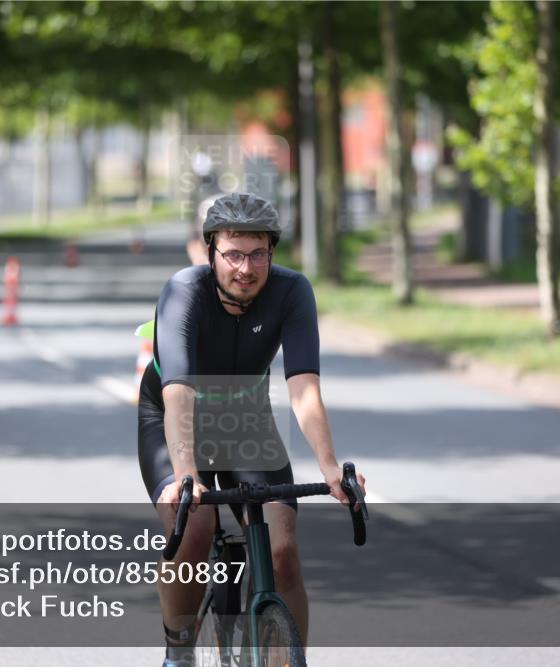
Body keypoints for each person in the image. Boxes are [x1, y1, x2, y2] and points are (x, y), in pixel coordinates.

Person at [137, 192, 367, 667]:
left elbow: (304, 386)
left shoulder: (292, 291)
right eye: (233, 254)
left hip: (245, 419)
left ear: (273, 252)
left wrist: (329, 467)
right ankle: (178, 651)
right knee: (195, 531)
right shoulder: (183, 291)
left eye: (257, 253)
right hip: (174, 418)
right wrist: (186, 475)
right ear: (210, 253)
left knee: (282, 551)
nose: (245, 268)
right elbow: (178, 389)